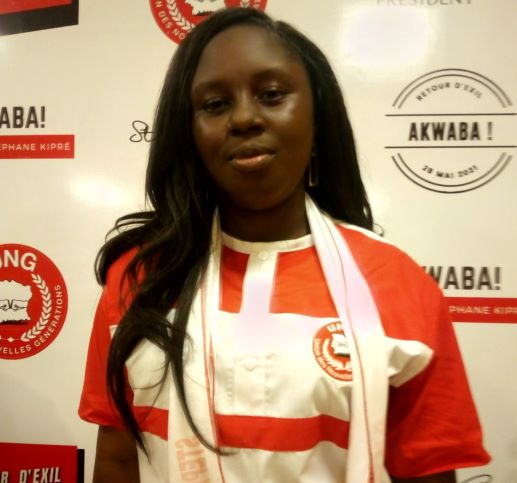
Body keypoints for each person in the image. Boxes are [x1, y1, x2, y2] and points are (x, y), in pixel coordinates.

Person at [79, 7, 490, 483]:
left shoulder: (398, 285)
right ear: (188, 134)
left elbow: (427, 472)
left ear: (317, 120)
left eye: (272, 94)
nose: (244, 118)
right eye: (215, 103)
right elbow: (118, 458)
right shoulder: (140, 277)